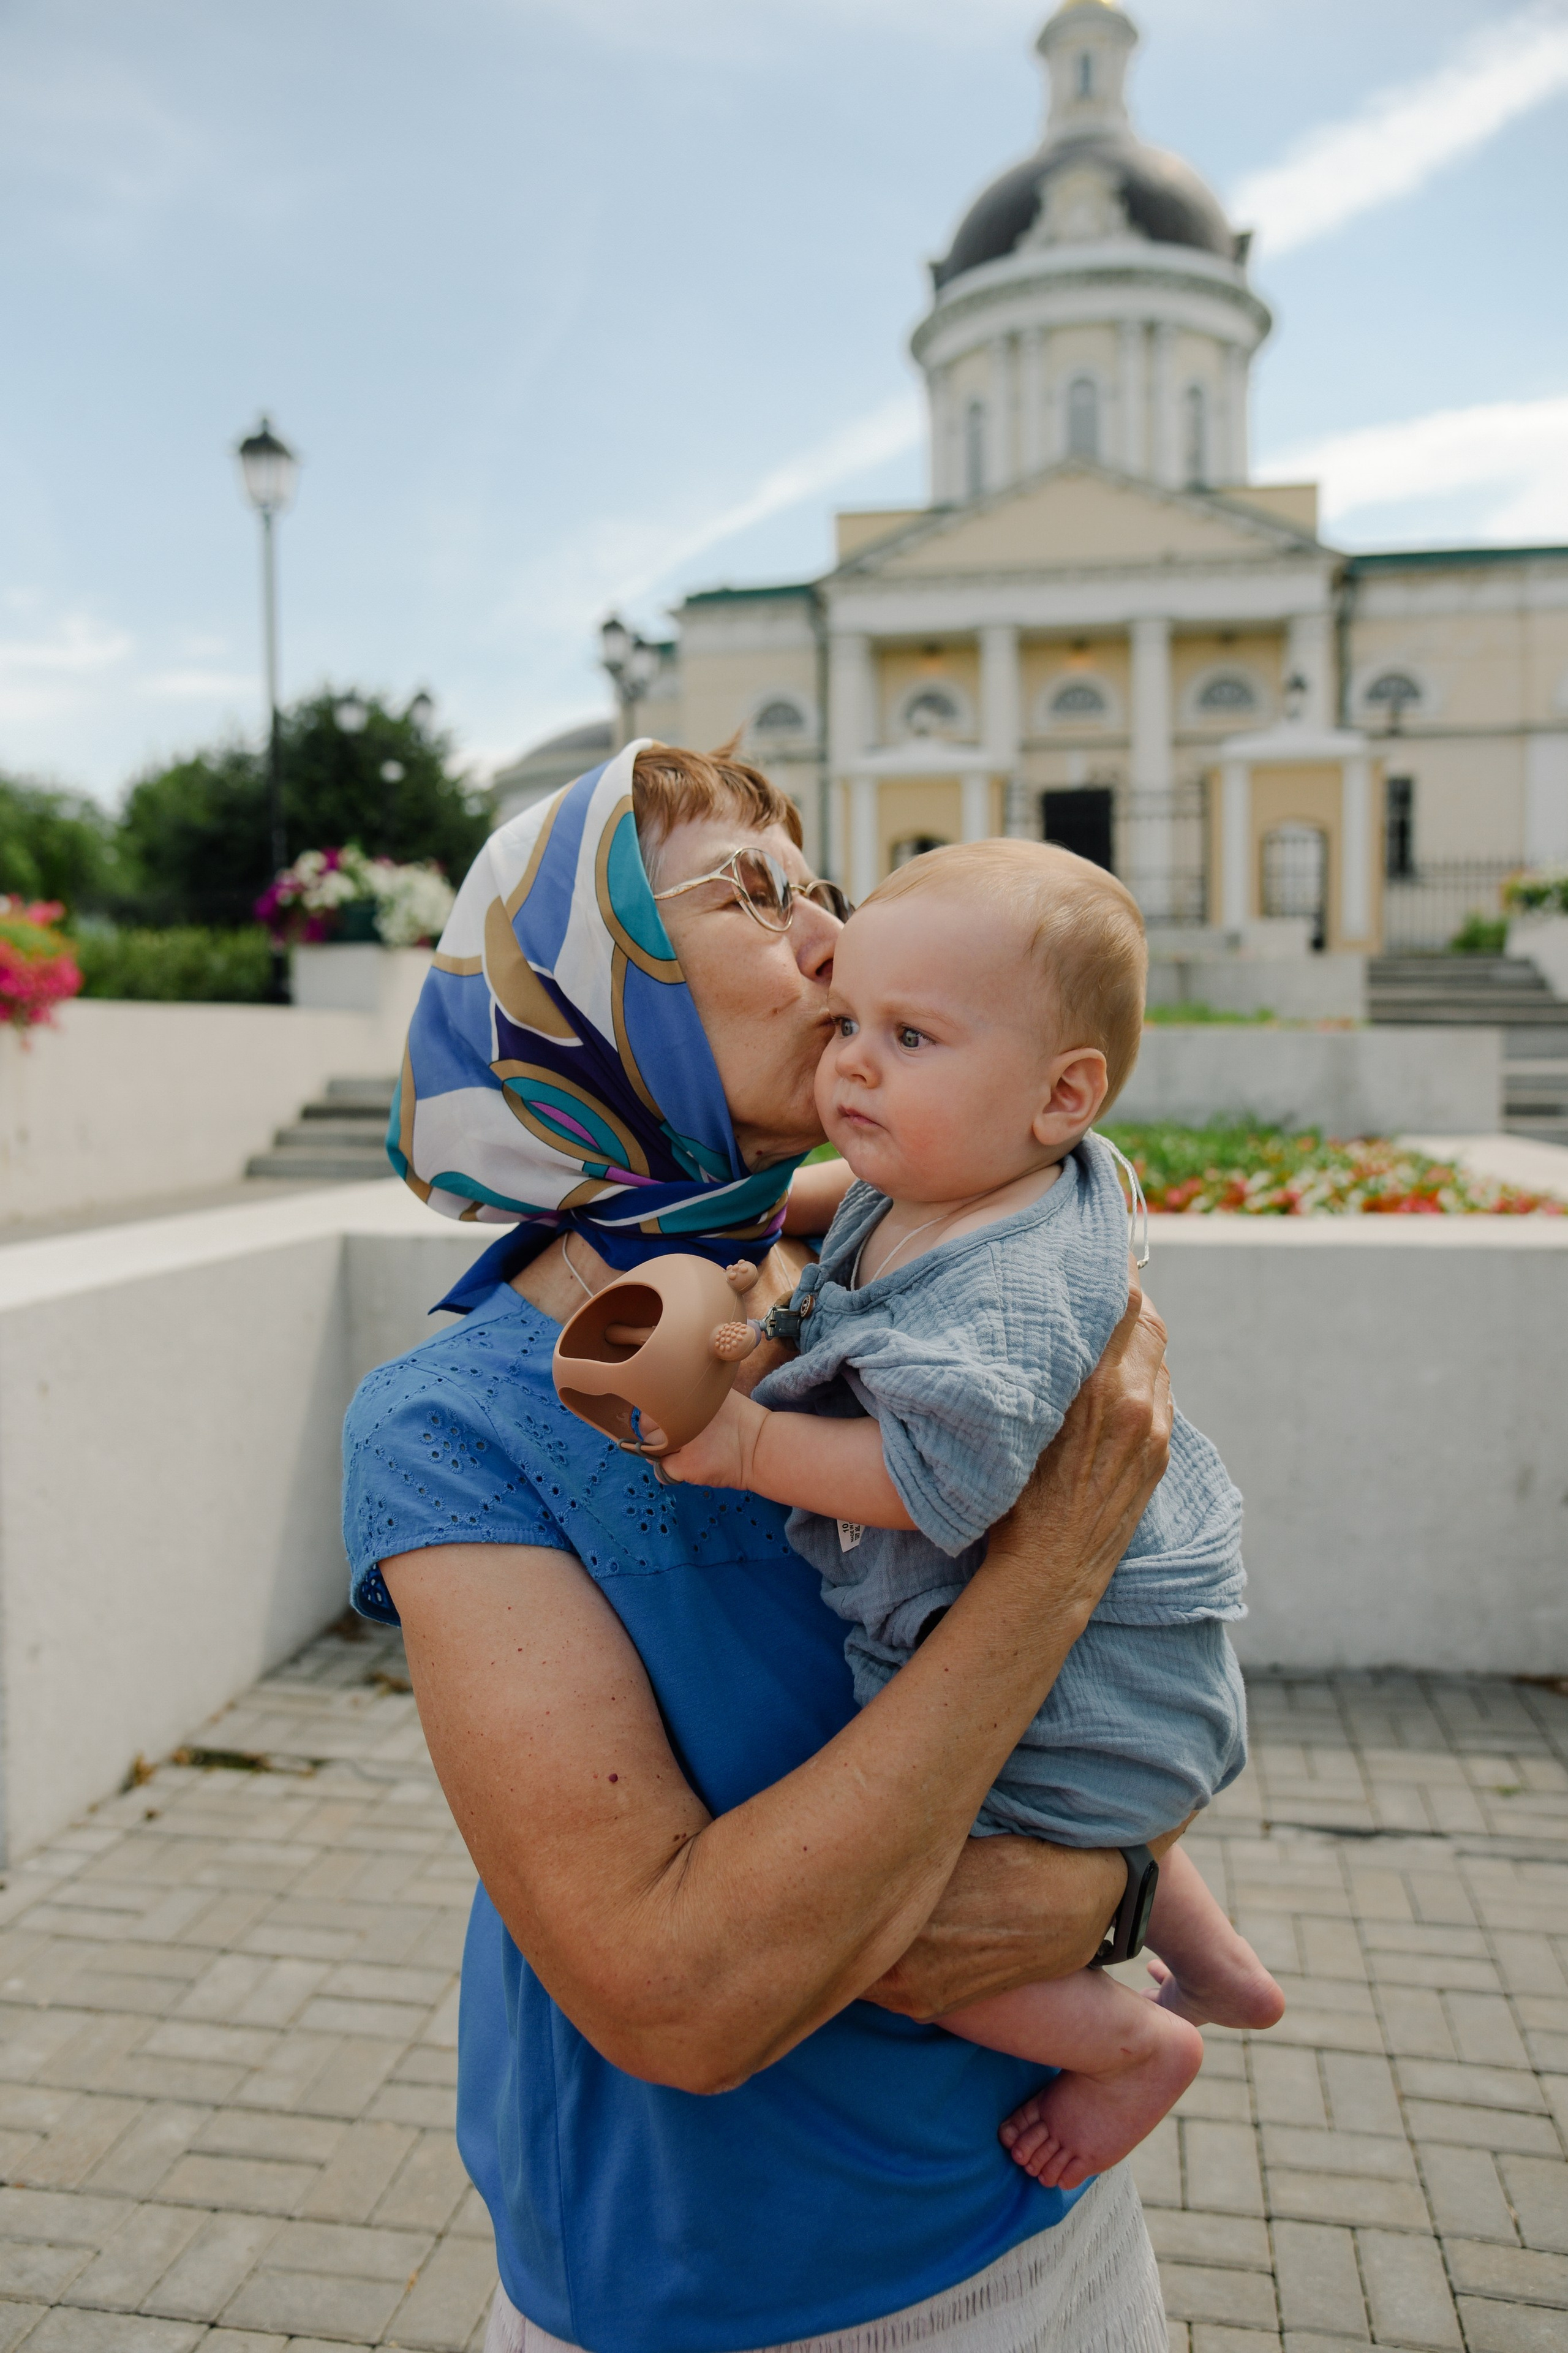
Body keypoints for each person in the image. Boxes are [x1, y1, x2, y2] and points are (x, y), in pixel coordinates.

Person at [344, 740, 1180, 2353]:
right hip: (716, 2292)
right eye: (751, 892)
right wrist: (1058, 1555)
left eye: (826, 889)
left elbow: (1095, 1715)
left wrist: (1118, 1885)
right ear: (588, 979)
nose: (830, 939)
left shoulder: (902, 1288)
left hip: (1046, 2206)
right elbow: (679, 1993)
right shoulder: (458, 1424)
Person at [658, 840, 1284, 2196]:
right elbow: (842, 1199)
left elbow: (938, 1486)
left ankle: (1129, 2045)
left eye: (908, 1035)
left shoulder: (1003, 1298)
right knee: (1067, 1828)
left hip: (1080, 1699)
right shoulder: (977, 1168)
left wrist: (754, 1441)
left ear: (1063, 1093)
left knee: (890, 1940)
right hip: (1134, 1682)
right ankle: (1221, 1962)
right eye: (848, 1028)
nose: (852, 1067)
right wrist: (765, 1208)